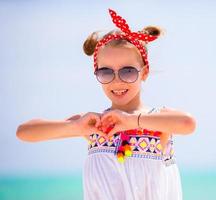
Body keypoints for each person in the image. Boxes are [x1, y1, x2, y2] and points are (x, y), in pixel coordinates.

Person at [16, 8, 196, 200]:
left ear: (144, 73)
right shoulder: (95, 125)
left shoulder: (157, 120)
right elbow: (25, 132)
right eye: (106, 72)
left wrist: (133, 121)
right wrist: (75, 127)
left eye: (127, 72)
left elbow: (187, 124)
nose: (117, 81)